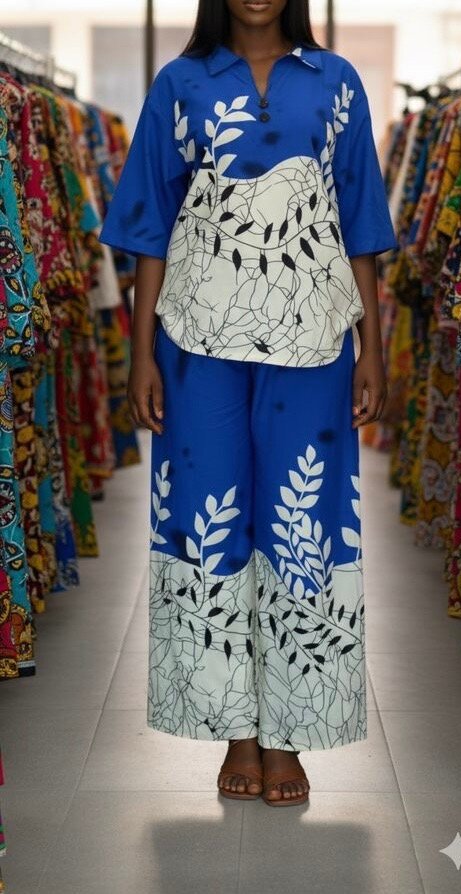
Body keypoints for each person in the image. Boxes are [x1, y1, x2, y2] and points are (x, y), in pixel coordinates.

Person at [99, 0, 398, 807]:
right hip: (195, 342)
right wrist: (141, 356)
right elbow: (150, 227)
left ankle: (288, 735)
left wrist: (371, 347)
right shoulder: (180, 83)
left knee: (303, 519)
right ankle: (237, 730)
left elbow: (360, 222)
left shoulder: (335, 81)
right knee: (209, 515)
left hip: (314, 341)